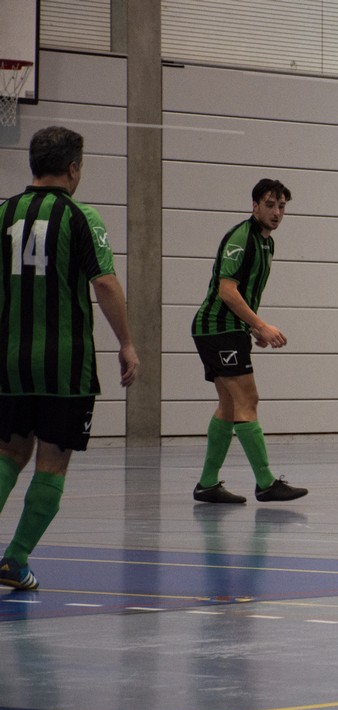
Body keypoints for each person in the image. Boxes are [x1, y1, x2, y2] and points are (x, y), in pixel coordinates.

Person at [0, 126, 140, 590]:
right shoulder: (83, 217)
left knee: (8, 453)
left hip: (10, 362)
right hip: (66, 363)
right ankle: (15, 560)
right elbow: (104, 282)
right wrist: (126, 342)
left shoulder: (3, 213)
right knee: (52, 460)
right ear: (74, 168)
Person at [191, 179, 307, 504]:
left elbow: (244, 293)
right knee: (248, 399)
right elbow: (227, 291)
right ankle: (266, 483)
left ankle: (207, 484)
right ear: (254, 206)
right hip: (218, 328)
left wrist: (252, 327)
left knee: (229, 406)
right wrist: (260, 325)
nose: (276, 212)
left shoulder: (267, 243)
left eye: (281, 206)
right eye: (269, 205)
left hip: (230, 329)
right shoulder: (241, 238)